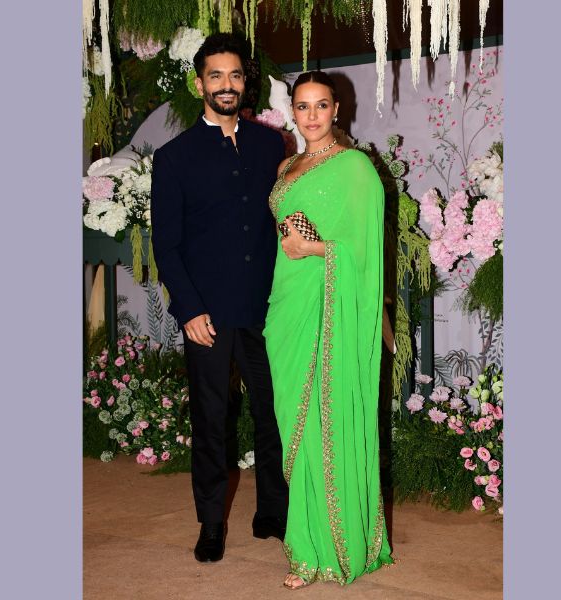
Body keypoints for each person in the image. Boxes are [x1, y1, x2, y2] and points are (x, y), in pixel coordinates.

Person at [150, 33, 289, 563]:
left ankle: (272, 511)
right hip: (206, 312)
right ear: (199, 83)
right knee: (211, 420)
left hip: (266, 306)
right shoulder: (174, 157)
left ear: (244, 82)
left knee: (274, 413)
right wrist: (188, 309)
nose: (226, 85)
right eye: (216, 76)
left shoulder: (270, 145)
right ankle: (211, 523)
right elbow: (167, 244)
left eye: (234, 75)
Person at [263, 71, 394, 589]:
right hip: (287, 306)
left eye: (321, 105)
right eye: (302, 106)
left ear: (337, 110)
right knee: (291, 427)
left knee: (321, 422)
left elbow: (364, 250)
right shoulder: (286, 167)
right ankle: (307, 540)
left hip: (327, 307)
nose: (312, 115)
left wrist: (316, 247)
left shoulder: (355, 167)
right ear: (292, 112)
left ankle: (315, 551)